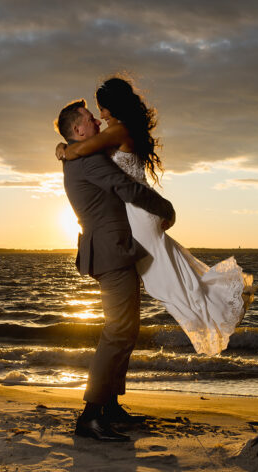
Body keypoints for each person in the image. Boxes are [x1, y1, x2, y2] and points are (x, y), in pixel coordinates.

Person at [56, 77, 254, 357]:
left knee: (166, 281)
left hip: (140, 211)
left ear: (112, 108)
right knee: (170, 274)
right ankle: (216, 309)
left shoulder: (116, 131)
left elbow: (78, 148)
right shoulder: (120, 129)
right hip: (140, 212)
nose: (99, 116)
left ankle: (217, 312)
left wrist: (62, 149)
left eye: (100, 109)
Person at [56, 99, 176, 442]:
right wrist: (164, 206)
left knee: (126, 329)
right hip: (111, 251)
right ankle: (91, 415)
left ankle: (110, 406)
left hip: (113, 249)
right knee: (118, 331)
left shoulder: (78, 156)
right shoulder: (87, 159)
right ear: (79, 130)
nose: (96, 122)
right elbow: (125, 187)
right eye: (90, 119)